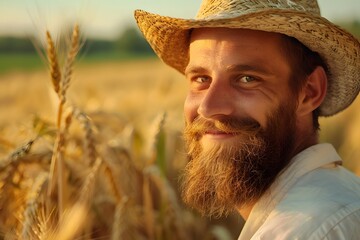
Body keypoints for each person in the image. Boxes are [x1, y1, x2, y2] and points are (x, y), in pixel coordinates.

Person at [134, 0, 360, 239]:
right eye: (201, 79)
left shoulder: (307, 231)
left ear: (310, 92)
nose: (208, 108)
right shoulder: (340, 201)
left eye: (247, 79)